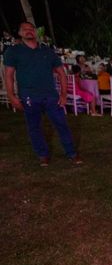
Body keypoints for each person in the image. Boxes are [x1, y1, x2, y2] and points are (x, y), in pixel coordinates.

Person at [3, 21, 82, 166]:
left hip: (50, 95)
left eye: (31, 29)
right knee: (34, 126)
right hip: (28, 95)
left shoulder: (47, 51)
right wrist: (11, 96)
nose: (29, 31)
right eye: (25, 29)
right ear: (20, 33)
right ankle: (42, 154)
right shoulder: (13, 52)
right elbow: (8, 75)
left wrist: (63, 94)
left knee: (61, 123)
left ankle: (71, 153)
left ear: (35, 32)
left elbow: (61, 73)